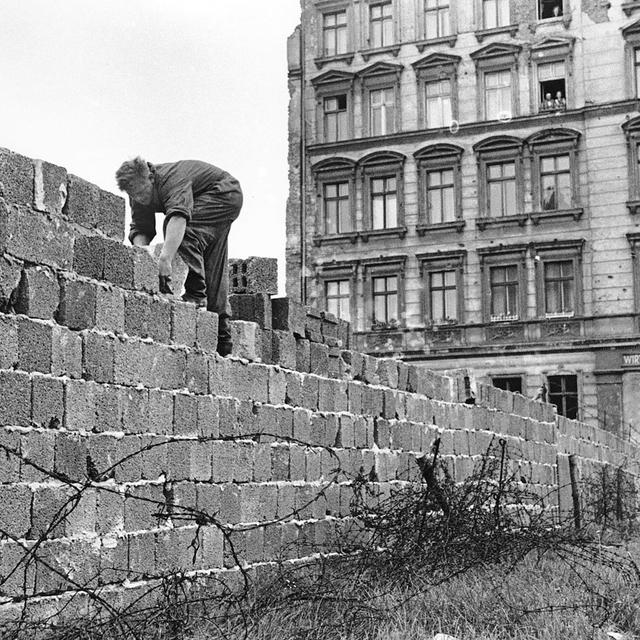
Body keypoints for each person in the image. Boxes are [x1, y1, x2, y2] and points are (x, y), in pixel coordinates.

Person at [115, 157, 242, 356]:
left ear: (150, 177)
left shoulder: (171, 179)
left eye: (142, 192)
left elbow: (178, 217)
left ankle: (195, 296)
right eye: (134, 195)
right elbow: (141, 228)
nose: (140, 199)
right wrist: (142, 260)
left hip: (224, 193)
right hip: (214, 199)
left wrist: (165, 260)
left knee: (182, 231)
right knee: (212, 263)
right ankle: (222, 340)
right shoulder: (137, 191)